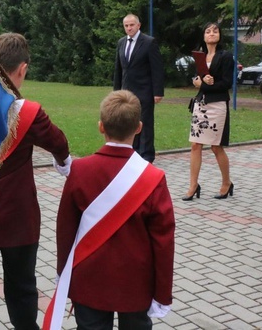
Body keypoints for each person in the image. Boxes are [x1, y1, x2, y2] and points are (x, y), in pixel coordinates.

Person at [0, 32, 72, 330]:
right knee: (21, 291)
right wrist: (64, 164)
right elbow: (59, 144)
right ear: (23, 69)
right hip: (19, 221)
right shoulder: (28, 113)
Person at [56, 90, 175, 329]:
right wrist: (162, 293)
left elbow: (65, 228)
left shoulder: (79, 170)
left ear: (101, 126)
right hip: (136, 282)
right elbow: (163, 241)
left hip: (89, 277)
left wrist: (64, 274)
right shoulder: (153, 177)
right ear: (139, 127)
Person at [183, 22, 235, 201]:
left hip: (217, 105)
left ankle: (226, 183)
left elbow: (227, 83)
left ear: (219, 35)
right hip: (200, 104)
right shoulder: (199, 56)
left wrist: (204, 84)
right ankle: (193, 185)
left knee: (215, 146)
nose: (211, 33)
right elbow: (196, 78)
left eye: (215, 31)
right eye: (208, 31)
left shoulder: (226, 56)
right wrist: (198, 81)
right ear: (203, 36)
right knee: (195, 145)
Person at [114, 13, 164, 162]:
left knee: (145, 124)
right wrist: (116, 92)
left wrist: (158, 92)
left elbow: (157, 69)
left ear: (138, 25)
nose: (129, 28)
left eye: (132, 25)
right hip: (126, 92)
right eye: (126, 26)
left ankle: (147, 155)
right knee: (129, 123)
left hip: (145, 91)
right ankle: (132, 153)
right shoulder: (121, 43)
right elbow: (119, 69)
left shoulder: (149, 42)